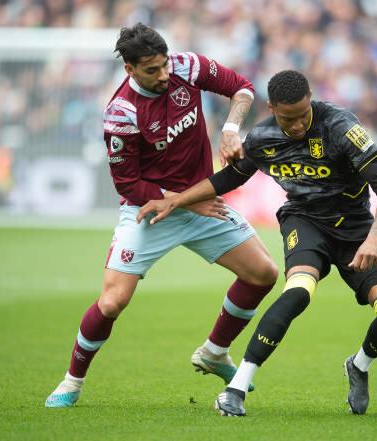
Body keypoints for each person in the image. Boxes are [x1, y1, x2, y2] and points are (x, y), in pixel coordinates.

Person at [138, 70, 377, 416]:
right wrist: (175, 200)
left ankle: (358, 366)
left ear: (311, 98)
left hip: (358, 229)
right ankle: (236, 388)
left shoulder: (342, 128)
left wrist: (374, 238)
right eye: (287, 118)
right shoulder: (263, 137)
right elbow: (230, 177)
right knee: (298, 289)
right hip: (305, 220)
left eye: (302, 115)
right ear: (272, 108)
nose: (297, 126)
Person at [45, 23, 278, 408]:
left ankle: (214, 352)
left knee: (263, 273)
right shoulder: (121, 113)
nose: (164, 75)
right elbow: (128, 185)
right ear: (130, 70)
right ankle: (72, 381)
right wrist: (185, 200)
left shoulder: (186, 67)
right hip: (150, 212)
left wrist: (232, 129)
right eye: (152, 70)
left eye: (164, 64)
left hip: (200, 203)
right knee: (111, 303)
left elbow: (243, 87)